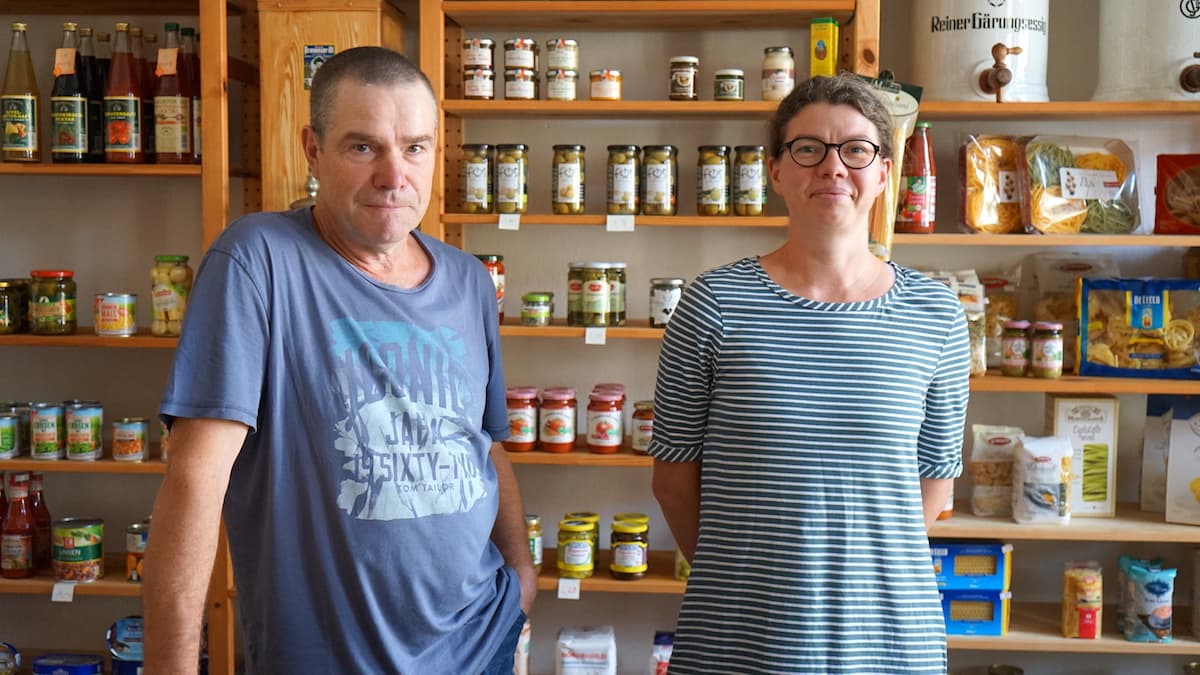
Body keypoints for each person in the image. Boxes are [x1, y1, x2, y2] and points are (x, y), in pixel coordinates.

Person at [142, 47, 536, 674]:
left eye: (415, 147)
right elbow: (195, 481)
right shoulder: (258, 261)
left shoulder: (466, 279)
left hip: (481, 643)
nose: (393, 174)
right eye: (363, 147)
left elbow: (485, 444)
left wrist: (520, 576)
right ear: (312, 149)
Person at [649, 73, 969, 674]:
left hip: (889, 636)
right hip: (739, 631)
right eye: (808, 149)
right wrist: (744, 575)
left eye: (855, 149)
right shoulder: (713, 303)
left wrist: (854, 573)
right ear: (776, 172)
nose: (832, 167)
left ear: (882, 174)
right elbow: (672, 479)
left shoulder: (936, 313)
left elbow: (935, 487)